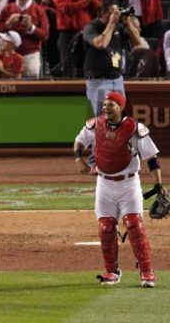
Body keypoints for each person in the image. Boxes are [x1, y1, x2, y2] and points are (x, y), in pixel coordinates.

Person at [74, 91, 165, 288]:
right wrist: (78, 159)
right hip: (104, 183)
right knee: (105, 228)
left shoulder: (135, 129)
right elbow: (79, 141)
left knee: (134, 225)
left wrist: (158, 184)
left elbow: (152, 159)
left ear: (121, 107)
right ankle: (112, 271)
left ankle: (147, 272)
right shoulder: (95, 125)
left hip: (128, 184)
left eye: (111, 104)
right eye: (105, 104)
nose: (106, 107)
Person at [83, 1, 141, 116]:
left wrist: (128, 23)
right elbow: (101, 44)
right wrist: (111, 23)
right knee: (104, 119)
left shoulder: (118, 27)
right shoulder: (91, 27)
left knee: (120, 118)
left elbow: (137, 41)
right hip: (98, 81)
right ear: (103, 13)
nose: (117, 15)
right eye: (113, 12)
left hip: (117, 79)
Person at [53, 0, 100, 78]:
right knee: (69, 68)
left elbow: (96, 9)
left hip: (85, 34)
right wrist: (86, 0)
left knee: (88, 66)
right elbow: (67, 9)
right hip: (68, 35)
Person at [0, 0, 50, 79]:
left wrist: (31, 27)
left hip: (30, 56)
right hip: (9, 57)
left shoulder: (39, 10)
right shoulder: (7, 9)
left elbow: (45, 35)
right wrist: (8, 23)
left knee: (31, 90)